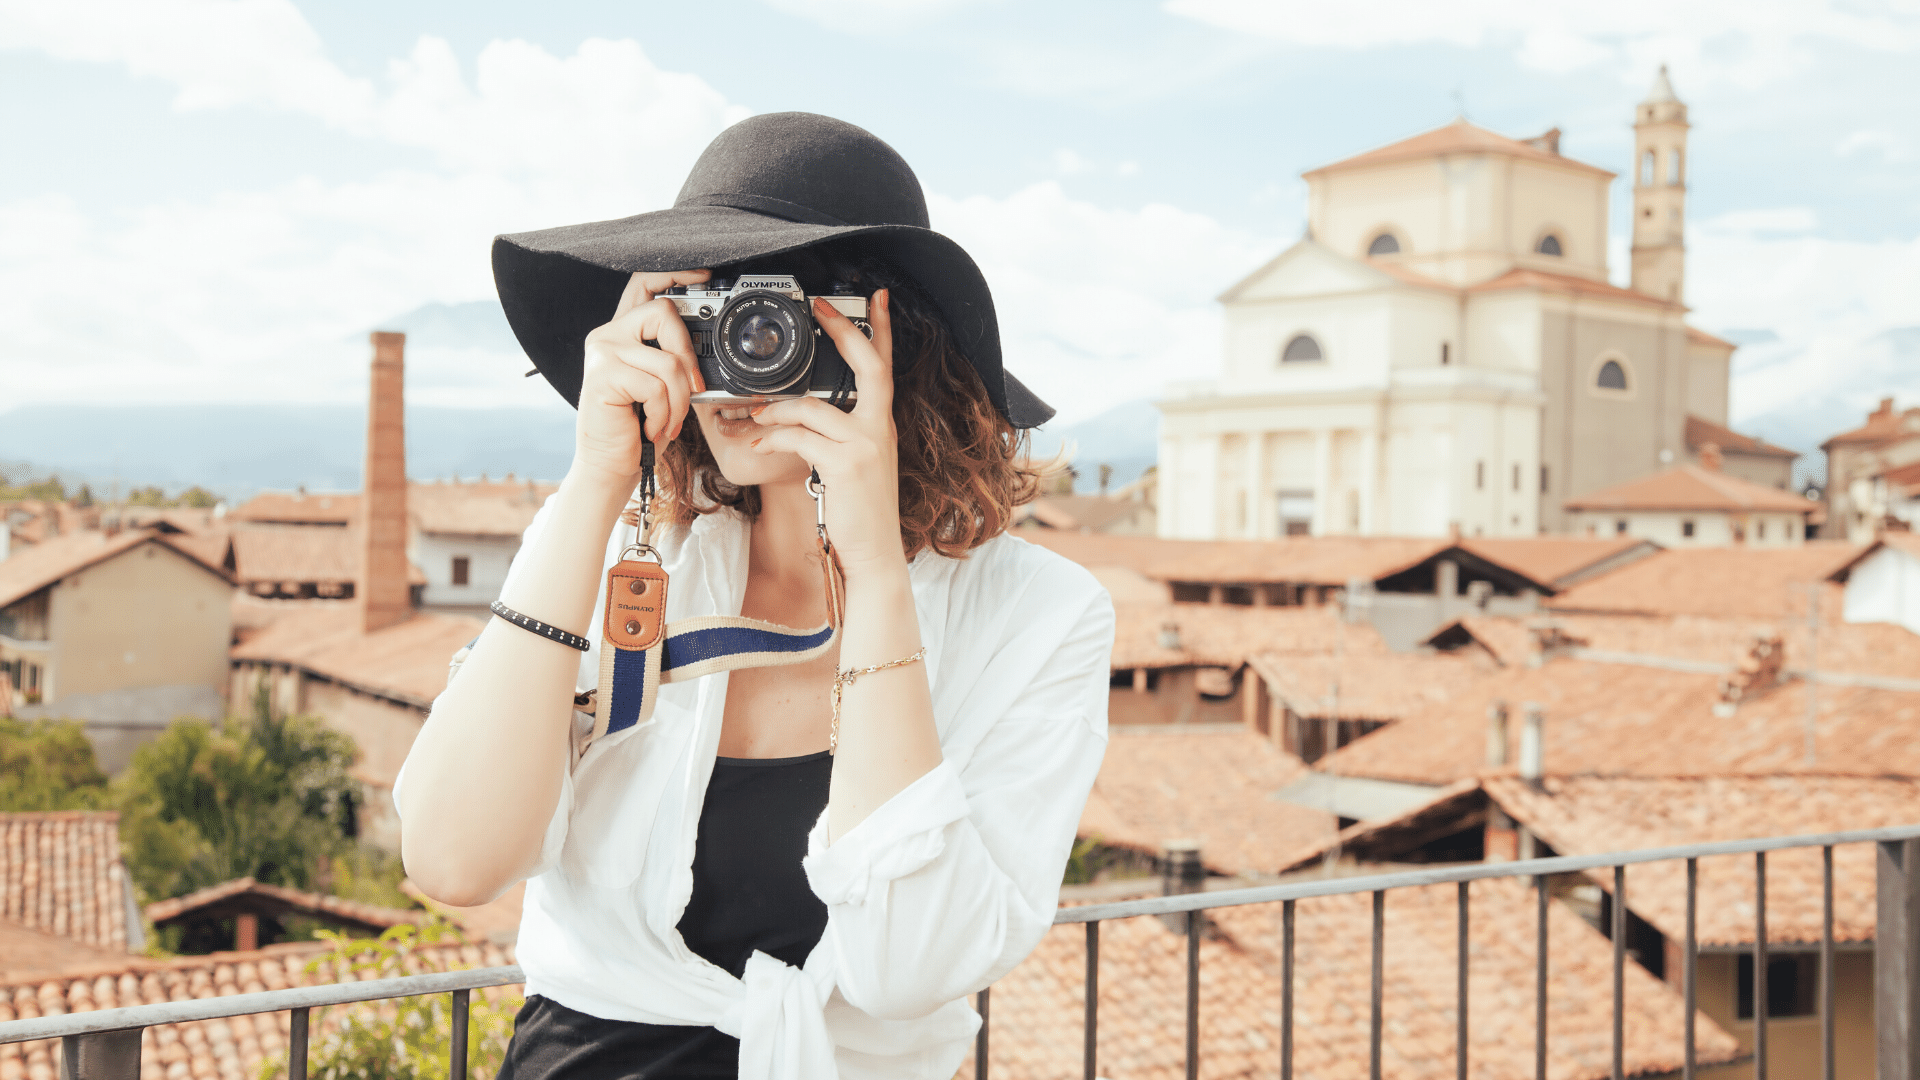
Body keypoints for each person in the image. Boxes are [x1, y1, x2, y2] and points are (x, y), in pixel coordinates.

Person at [394, 112, 1113, 1080]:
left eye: (778, 317)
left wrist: (873, 569)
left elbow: (910, 967)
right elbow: (451, 860)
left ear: (895, 342)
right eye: (709, 311)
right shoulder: (613, 555)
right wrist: (599, 478)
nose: (741, 357)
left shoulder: (1042, 618)